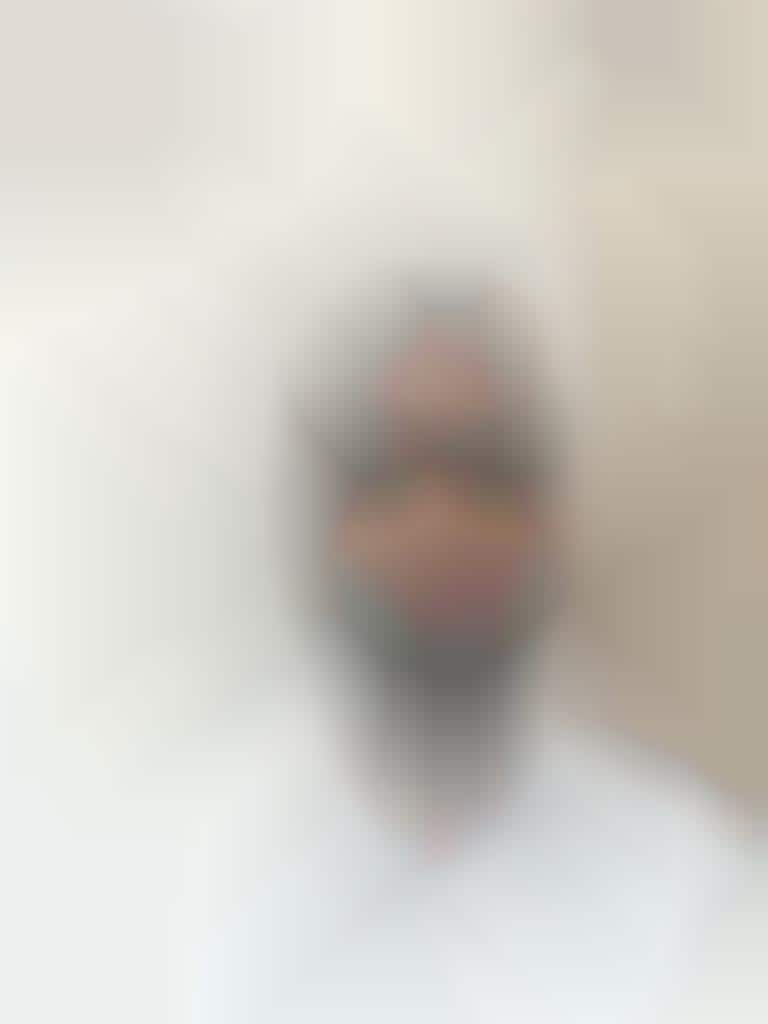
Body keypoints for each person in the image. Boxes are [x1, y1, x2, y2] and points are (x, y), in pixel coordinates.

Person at [173, 281, 748, 1024]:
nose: (439, 523)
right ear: (326, 523)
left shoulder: (691, 888)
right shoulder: (198, 882)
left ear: (549, 519)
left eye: (484, 471)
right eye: (389, 471)